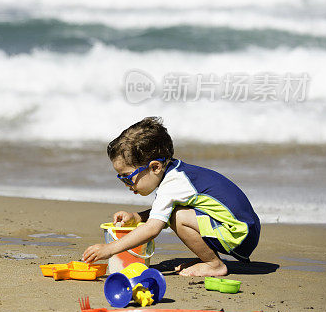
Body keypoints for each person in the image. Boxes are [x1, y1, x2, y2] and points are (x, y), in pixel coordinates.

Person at [82, 116, 260, 276]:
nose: (126, 185)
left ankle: (214, 264)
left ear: (155, 167)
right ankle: (209, 260)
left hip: (239, 233)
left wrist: (110, 249)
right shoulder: (176, 173)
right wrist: (136, 217)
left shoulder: (174, 184)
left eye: (128, 177)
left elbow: (153, 228)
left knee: (178, 216)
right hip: (244, 227)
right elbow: (163, 210)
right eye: (120, 178)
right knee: (176, 211)